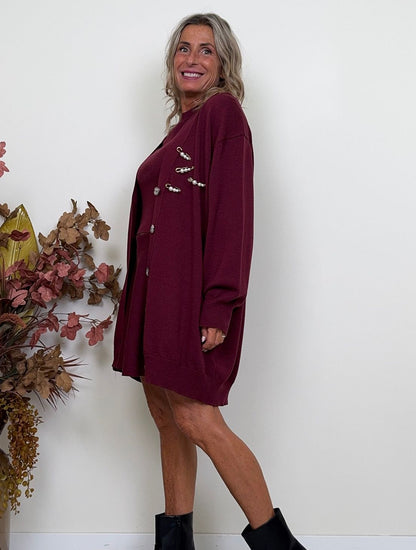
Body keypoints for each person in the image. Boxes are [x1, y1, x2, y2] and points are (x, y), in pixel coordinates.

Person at [112, 13, 307, 550]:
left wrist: (219, 304)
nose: (192, 59)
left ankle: (279, 546)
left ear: (223, 65)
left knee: (196, 415)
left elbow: (231, 217)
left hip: (186, 299)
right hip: (154, 297)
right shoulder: (180, 129)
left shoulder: (223, 116)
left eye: (206, 50)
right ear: (172, 60)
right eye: (184, 48)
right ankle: (175, 543)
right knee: (165, 414)